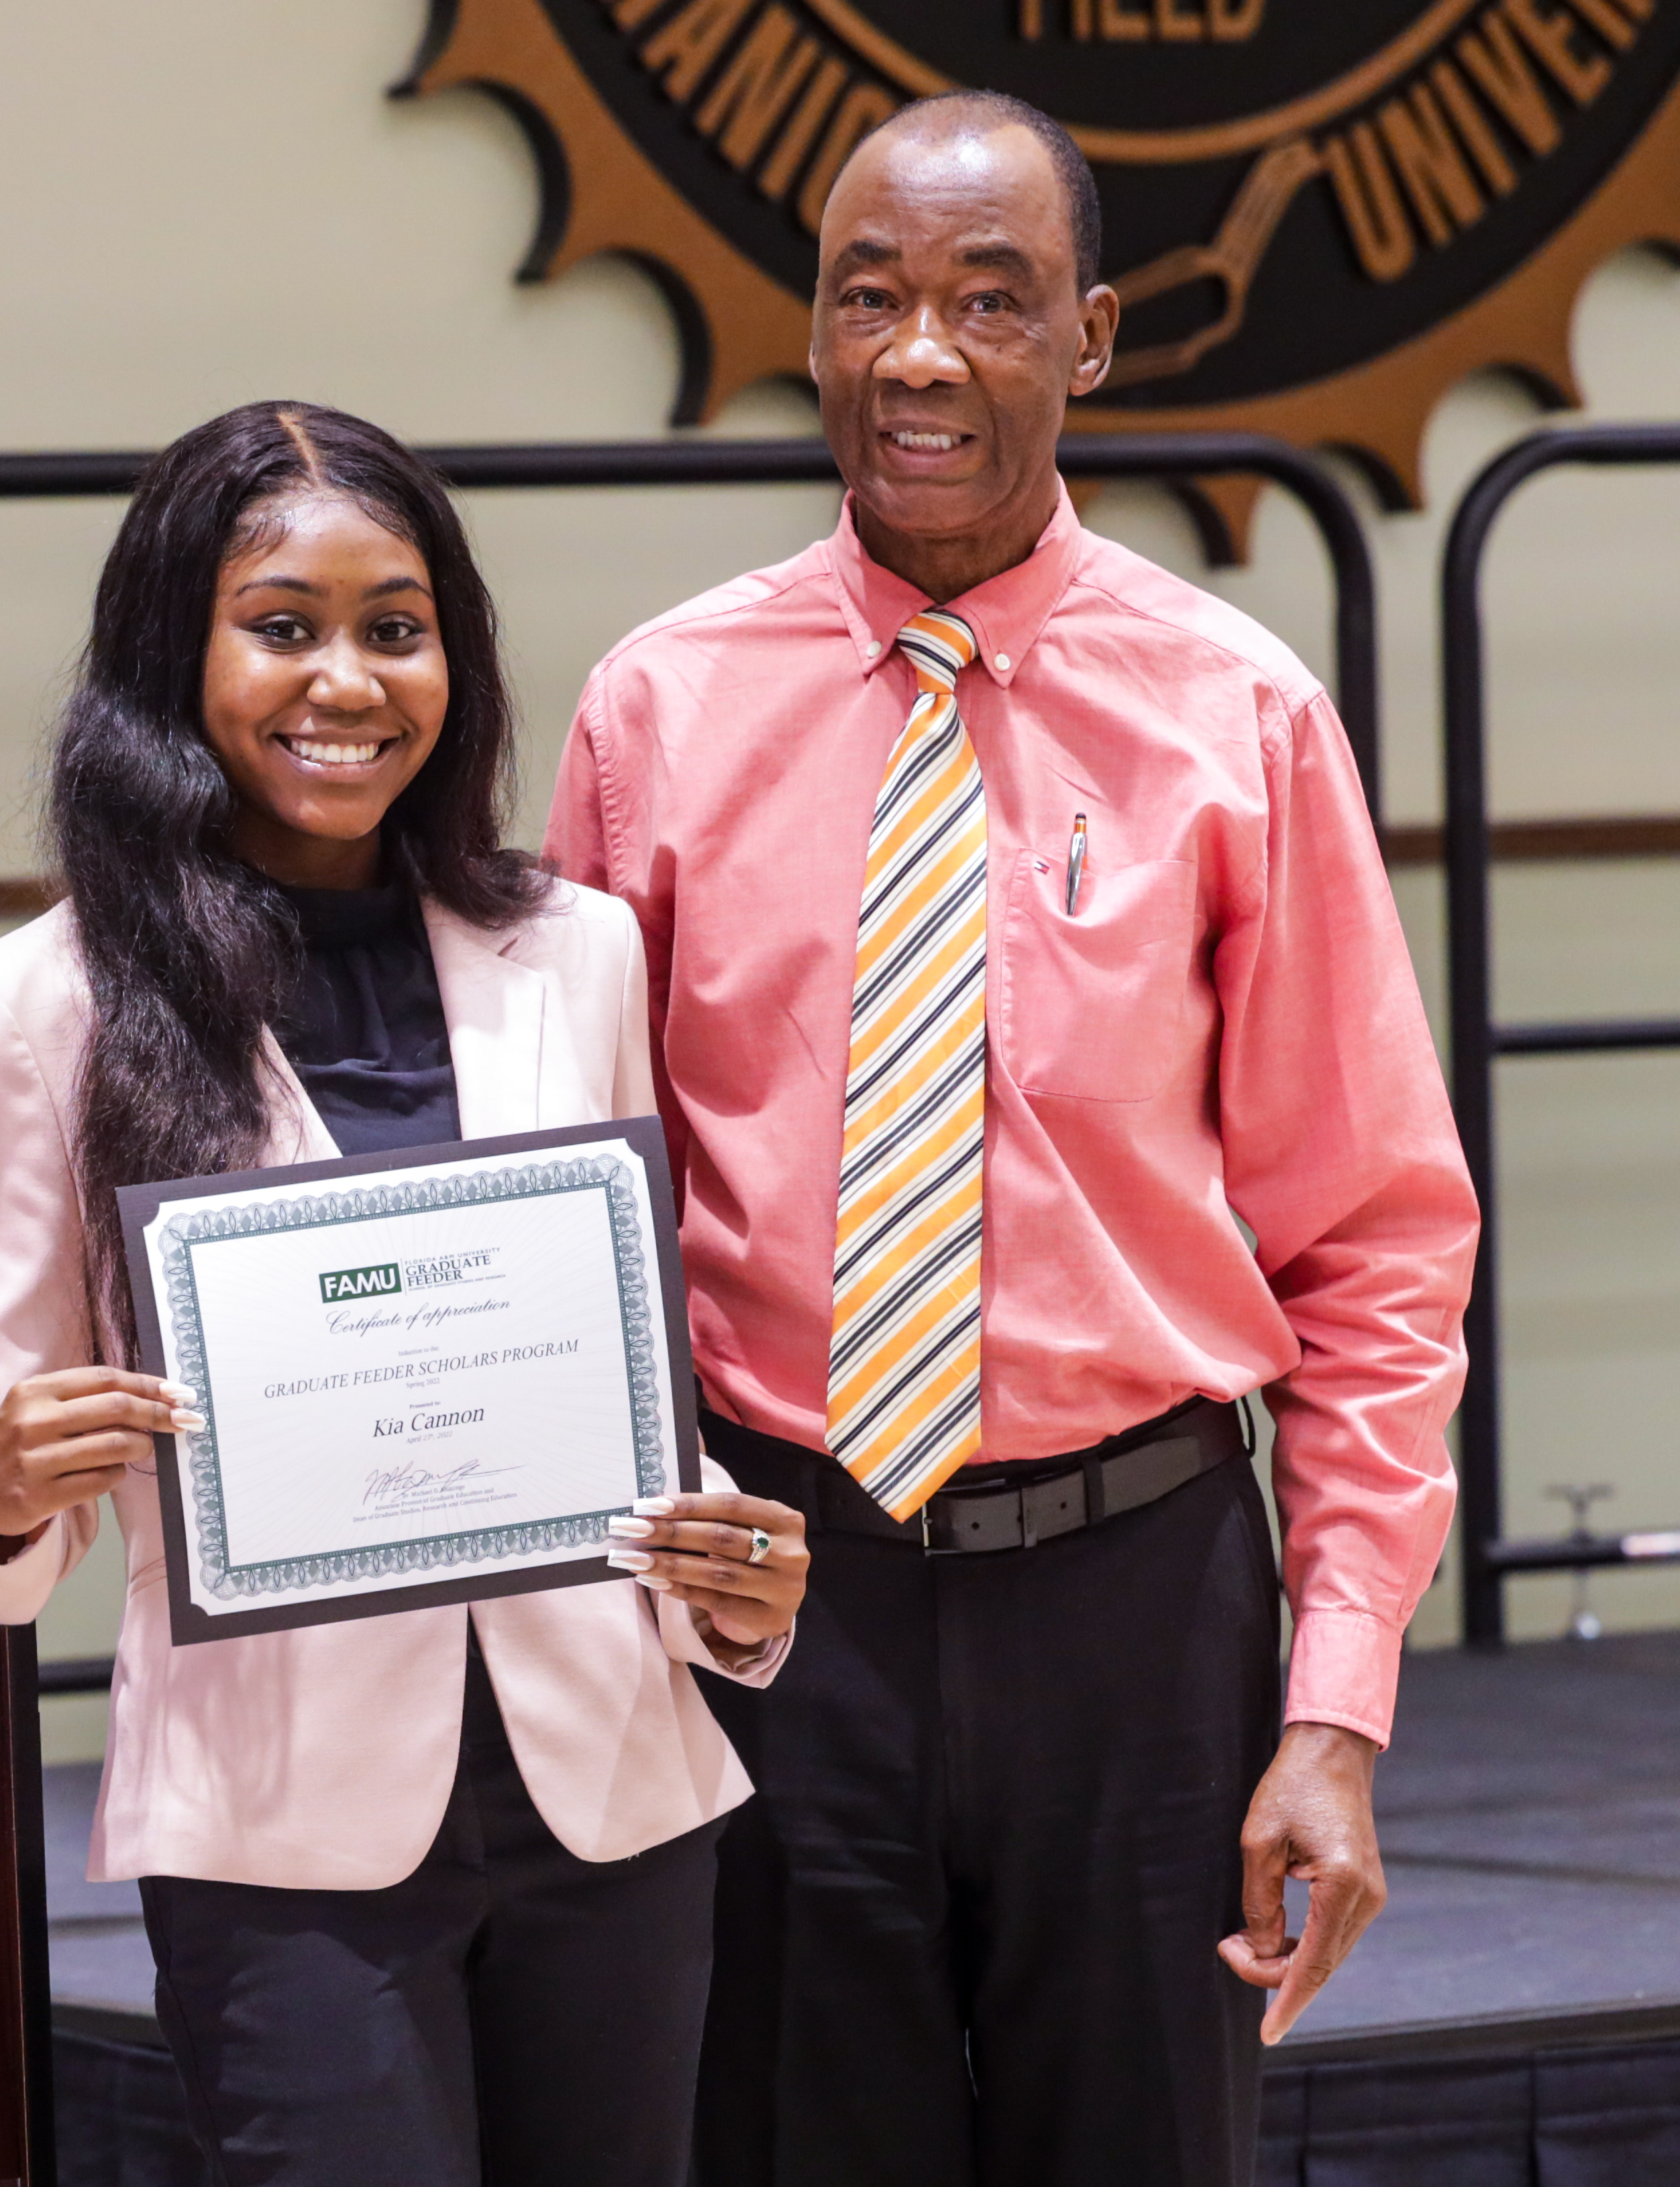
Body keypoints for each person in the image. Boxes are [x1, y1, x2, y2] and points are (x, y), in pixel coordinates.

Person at [546, 93, 1477, 2187]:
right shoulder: (652, 715)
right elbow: (570, 1206)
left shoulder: (1239, 716)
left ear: (1094, 337)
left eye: (988, 300)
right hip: (776, 1596)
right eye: (867, 297)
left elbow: (1375, 1246)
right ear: (810, 329)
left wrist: (1327, 1711)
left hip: (1141, 1612)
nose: (920, 356)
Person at [0, 400, 808, 2186]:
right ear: (176, 651)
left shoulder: (574, 951)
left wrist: (738, 1581)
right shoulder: (35, 1009)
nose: (346, 680)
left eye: (394, 628)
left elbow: (619, 1394)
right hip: (283, 1840)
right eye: (281, 625)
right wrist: (2, 1480)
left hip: (613, 1797)